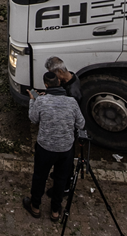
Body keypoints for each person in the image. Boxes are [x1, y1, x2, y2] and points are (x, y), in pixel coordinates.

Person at [24, 70, 87, 221]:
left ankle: (35, 206)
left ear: (46, 85)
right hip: (65, 149)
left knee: (40, 177)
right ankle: (55, 211)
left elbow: (33, 119)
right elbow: (81, 123)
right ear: (59, 82)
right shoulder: (71, 102)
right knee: (60, 179)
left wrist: (33, 100)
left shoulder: (41, 101)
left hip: (45, 148)